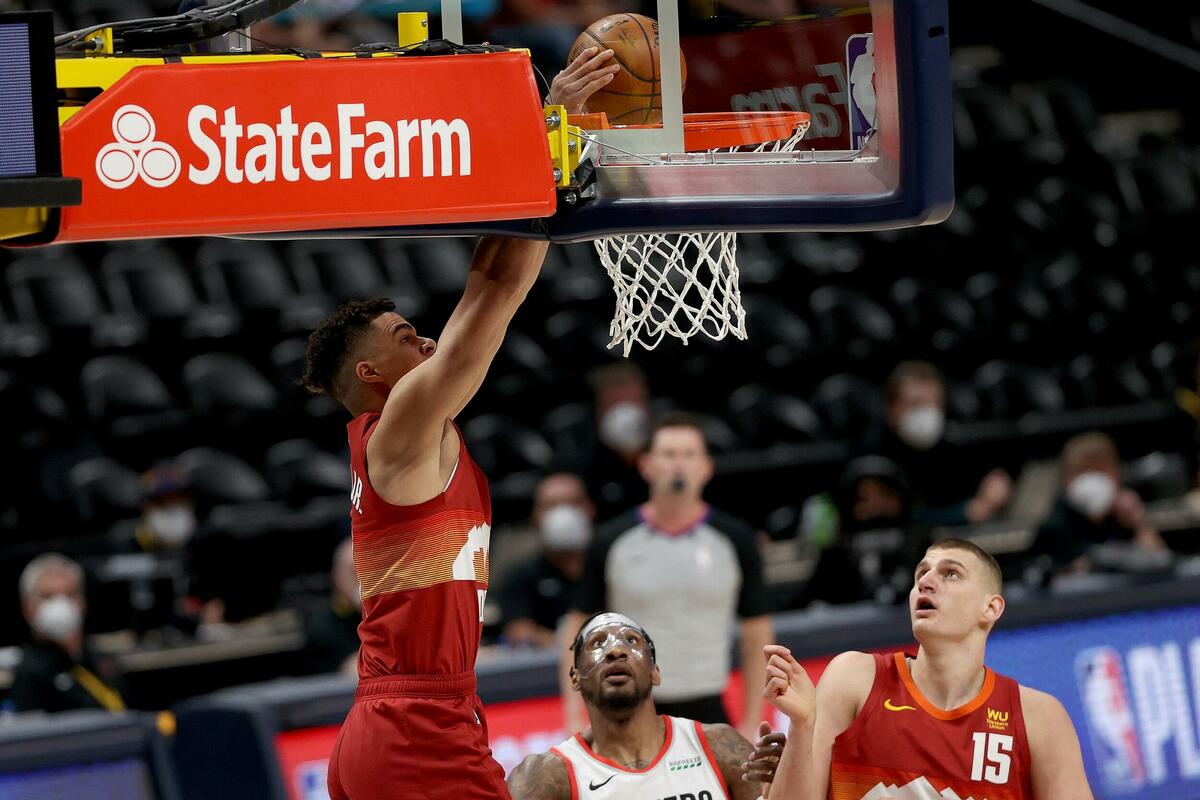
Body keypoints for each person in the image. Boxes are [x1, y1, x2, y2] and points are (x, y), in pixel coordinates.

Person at [300, 235, 550, 800]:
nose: (428, 340)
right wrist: (540, 209)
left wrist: (526, 218)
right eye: (406, 338)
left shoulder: (410, 435)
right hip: (416, 725)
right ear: (370, 372)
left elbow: (493, 300)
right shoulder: (397, 432)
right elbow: (492, 298)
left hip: (398, 718)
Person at [763, 538, 1095, 800]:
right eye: (921, 573)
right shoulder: (855, 679)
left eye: (951, 574)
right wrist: (802, 727)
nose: (926, 581)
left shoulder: (1039, 718)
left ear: (991, 608)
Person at [564, 412, 773, 743]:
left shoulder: (736, 540)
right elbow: (578, 625)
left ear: (706, 467)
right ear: (646, 465)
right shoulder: (610, 541)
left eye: (688, 454)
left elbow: (756, 632)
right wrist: (574, 714)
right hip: (629, 706)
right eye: (669, 454)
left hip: (709, 708)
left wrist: (753, 718)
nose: (678, 464)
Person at [508, 612, 784, 800]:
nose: (615, 650)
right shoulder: (545, 777)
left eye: (631, 641)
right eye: (597, 643)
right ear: (575, 677)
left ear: (655, 672)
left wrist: (784, 782)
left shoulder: (721, 748)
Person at [870, 361, 1012, 526]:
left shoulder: (955, 449)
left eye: (934, 404)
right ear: (891, 408)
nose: (926, 414)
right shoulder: (873, 460)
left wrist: (993, 492)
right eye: (916, 404)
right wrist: (965, 513)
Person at [1034, 432, 1167, 574]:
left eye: (1099, 469)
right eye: (1082, 471)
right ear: (1066, 480)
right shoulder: (1055, 524)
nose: (1092, 480)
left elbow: (1160, 562)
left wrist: (1137, 522)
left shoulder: (1124, 513)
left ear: (1116, 473)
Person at [10, 553, 127, 714]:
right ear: (27, 608)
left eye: (70, 594)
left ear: (83, 603)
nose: (61, 605)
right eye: (48, 596)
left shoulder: (102, 662)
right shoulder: (29, 674)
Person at [495, 473, 595, 648]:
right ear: (536, 516)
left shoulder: (611, 564)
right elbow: (520, 631)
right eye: (551, 506)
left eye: (572, 503)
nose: (564, 515)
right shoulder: (519, 575)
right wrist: (579, 646)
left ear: (590, 509)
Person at [300, 538, 362, 676]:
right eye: (354, 573)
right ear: (336, 576)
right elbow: (353, 669)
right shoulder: (323, 624)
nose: (362, 581)